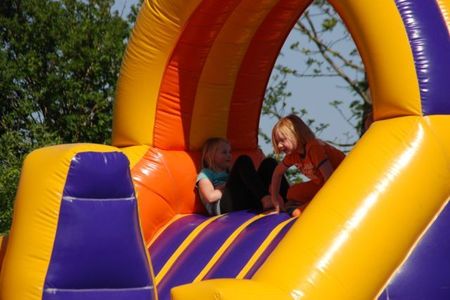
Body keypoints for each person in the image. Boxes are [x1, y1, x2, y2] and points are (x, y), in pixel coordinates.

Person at [270, 114, 345, 216]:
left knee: (297, 213)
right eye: (277, 142)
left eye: (282, 140)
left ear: (296, 134)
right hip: (322, 183)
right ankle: (302, 205)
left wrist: (322, 201)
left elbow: (330, 177)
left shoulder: (313, 148)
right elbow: (277, 173)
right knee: (292, 192)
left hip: (339, 182)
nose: (279, 145)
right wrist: (275, 200)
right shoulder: (293, 155)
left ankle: (306, 207)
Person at [196, 137, 288, 216]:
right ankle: (265, 199)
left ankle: (289, 199)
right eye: (224, 152)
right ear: (210, 155)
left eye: (229, 152)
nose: (229, 155)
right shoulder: (206, 173)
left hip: (243, 201)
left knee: (269, 163)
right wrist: (226, 187)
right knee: (243, 160)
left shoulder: (229, 172)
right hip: (224, 208)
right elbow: (210, 197)